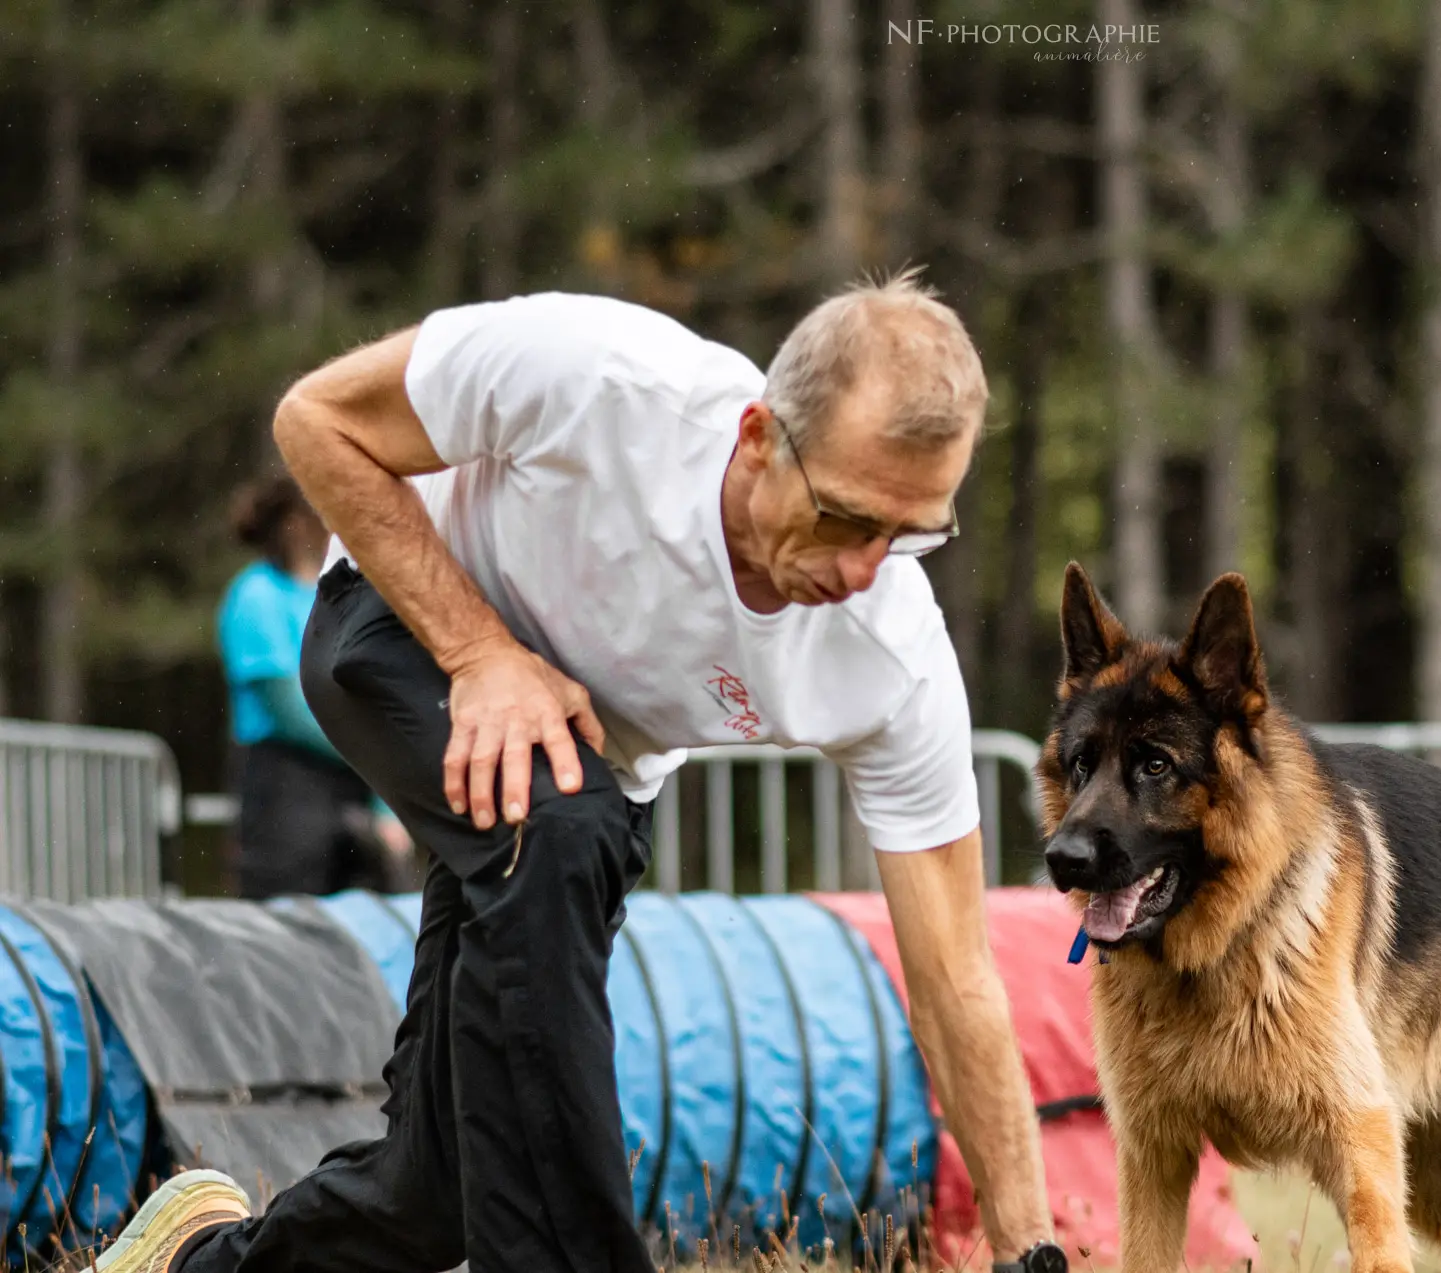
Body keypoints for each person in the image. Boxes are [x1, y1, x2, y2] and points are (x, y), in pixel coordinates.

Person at [100, 275, 1063, 1273]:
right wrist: (479, 653)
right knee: (562, 818)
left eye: (907, 534)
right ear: (756, 438)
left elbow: (954, 974)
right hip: (396, 627)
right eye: (843, 517)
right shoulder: (598, 379)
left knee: (434, 1192)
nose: (864, 567)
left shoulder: (890, 657)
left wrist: (1025, 1246)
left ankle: (191, 1265)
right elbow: (317, 421)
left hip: (571, 794)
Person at [217, 475, 412, 898]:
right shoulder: (256, 595)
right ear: (296, 523)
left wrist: (386, 803)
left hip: (354, 779)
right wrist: (377, 751)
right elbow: (289, 711)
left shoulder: (343, 596)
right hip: (285, 789)